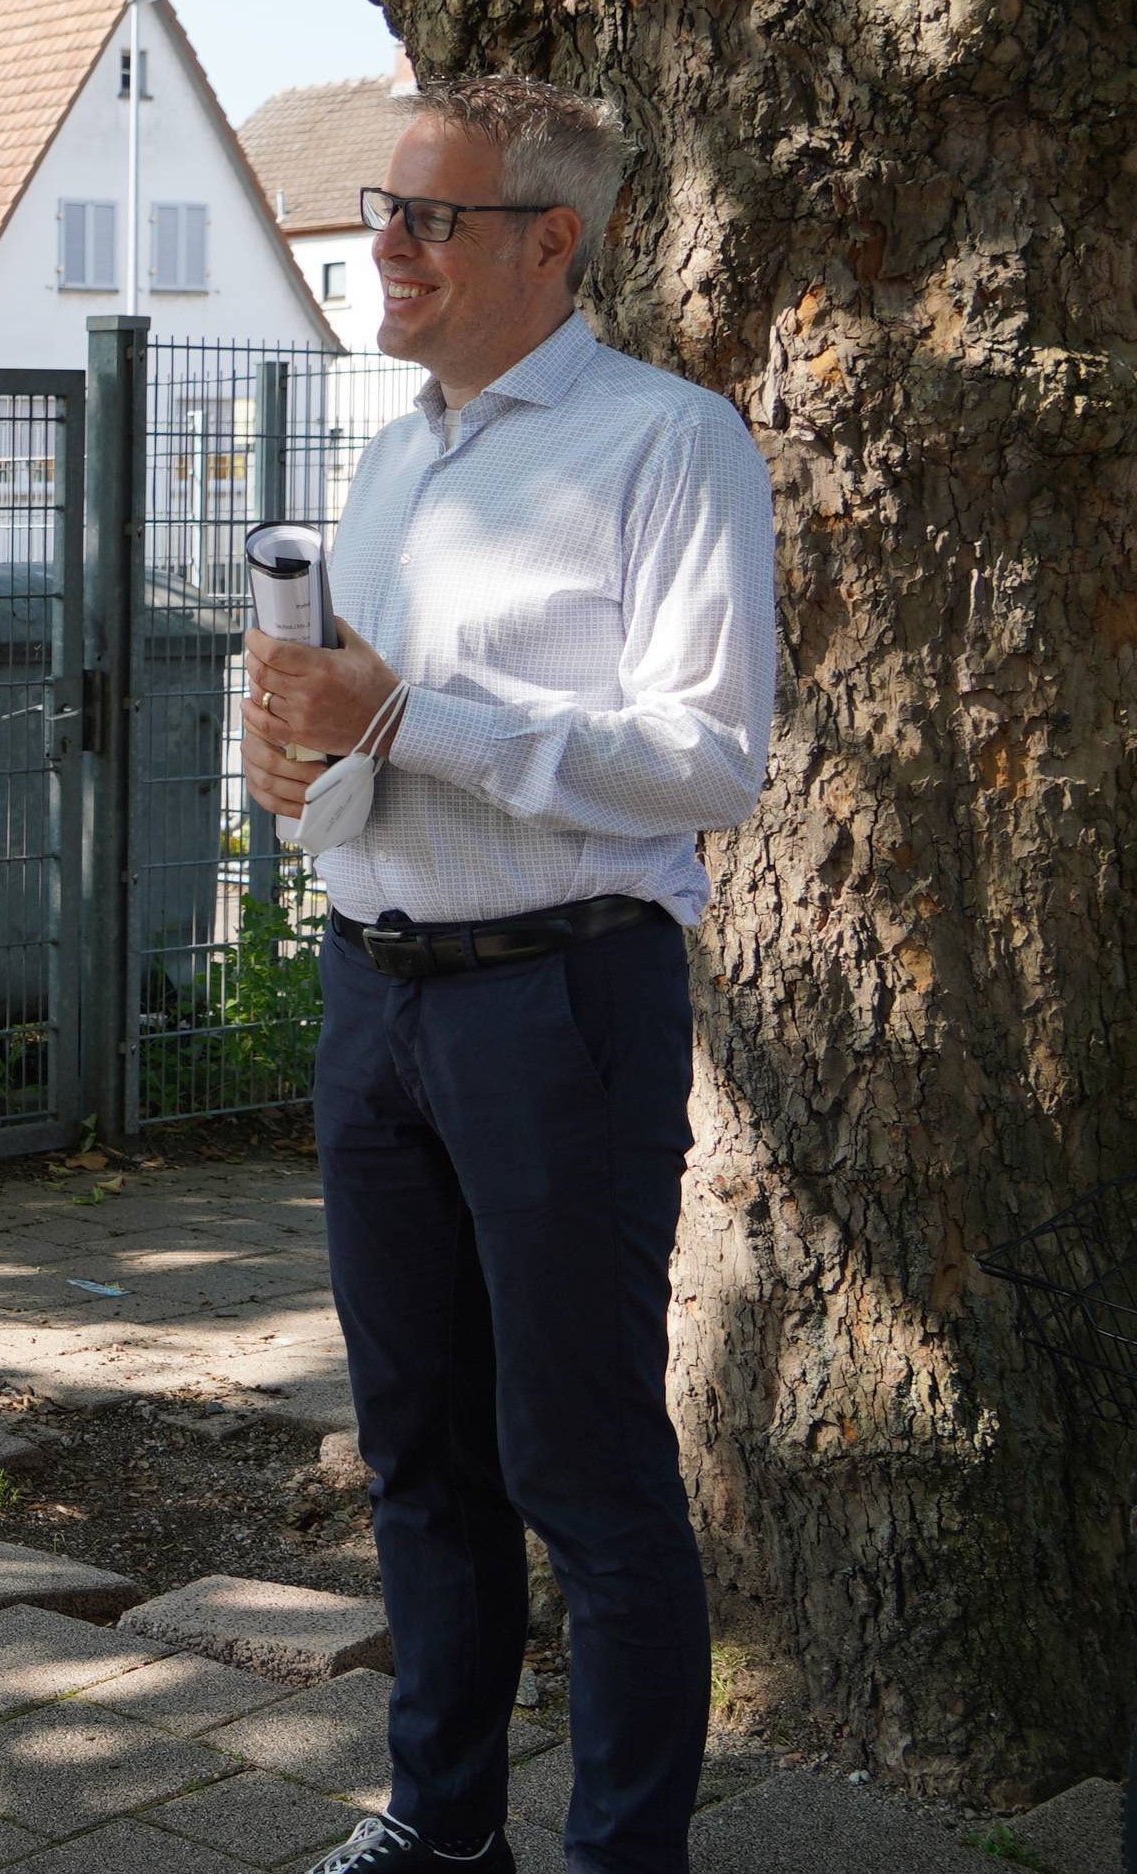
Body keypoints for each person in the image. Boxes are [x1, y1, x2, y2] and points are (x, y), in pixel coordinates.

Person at [237, 76, 777, 1874]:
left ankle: (624, 1857)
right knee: (417, 1451)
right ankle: (442, 1826)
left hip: (562, 1003)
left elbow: (708, 759)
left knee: (586, 1467)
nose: (385, 245)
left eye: (428, 218)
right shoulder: (400, 452)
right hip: (375, 992)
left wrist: (402, 712)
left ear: (552, 239)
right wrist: (300, 759)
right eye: (383, 210)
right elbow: (376, 727)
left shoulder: (670, 443)